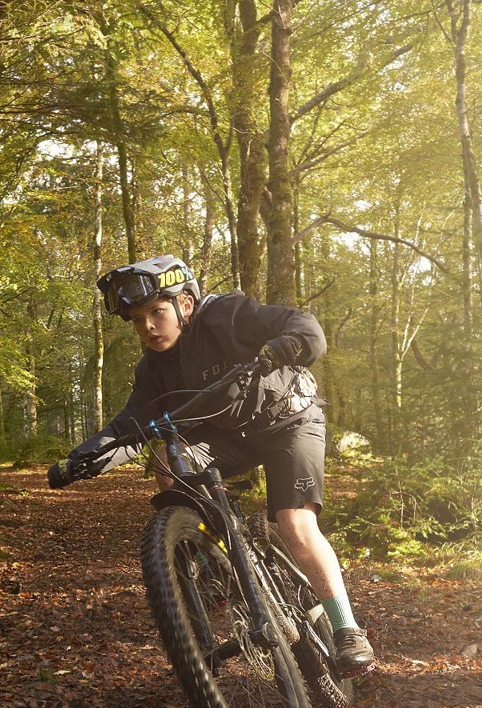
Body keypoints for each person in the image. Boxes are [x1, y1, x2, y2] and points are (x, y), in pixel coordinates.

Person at [47, 254, 376, 677]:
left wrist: (291, 344)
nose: (148, 327)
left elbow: (303, 325)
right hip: (231, 440)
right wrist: (81, 460)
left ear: (184, 304)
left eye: (157, 312)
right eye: (138, 320)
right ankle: (208, 552)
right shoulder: (153, 369)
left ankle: (347, 629)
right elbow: (130, 428)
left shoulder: (227, 314)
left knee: (294, 524)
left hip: (290, 421)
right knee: (167, 459)